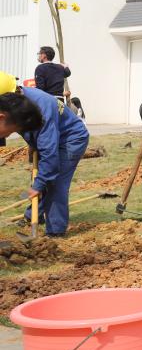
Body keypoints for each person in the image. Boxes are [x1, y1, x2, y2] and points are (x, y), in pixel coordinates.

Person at [0, 74, 89, 237]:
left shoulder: (40, 107)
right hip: (49, 138)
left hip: (70, 139)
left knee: (54, 183)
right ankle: (33, 216)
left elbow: (50, 155)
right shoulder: (19, 104)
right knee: (41, 179)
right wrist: (33, 144)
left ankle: (55, 231)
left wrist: (39, 184)